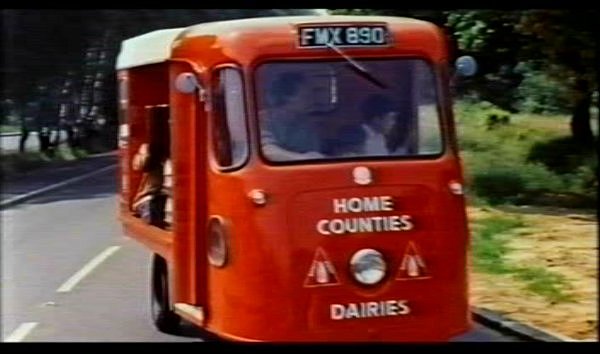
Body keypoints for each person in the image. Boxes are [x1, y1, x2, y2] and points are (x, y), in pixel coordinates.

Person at [259, 71, 325, 161]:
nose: (312, 99)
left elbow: (313, 152)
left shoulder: (306, 124)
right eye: (307, 95)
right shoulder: (261, 120)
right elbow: (266, 151)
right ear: (287, 96)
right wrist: (302, 158)